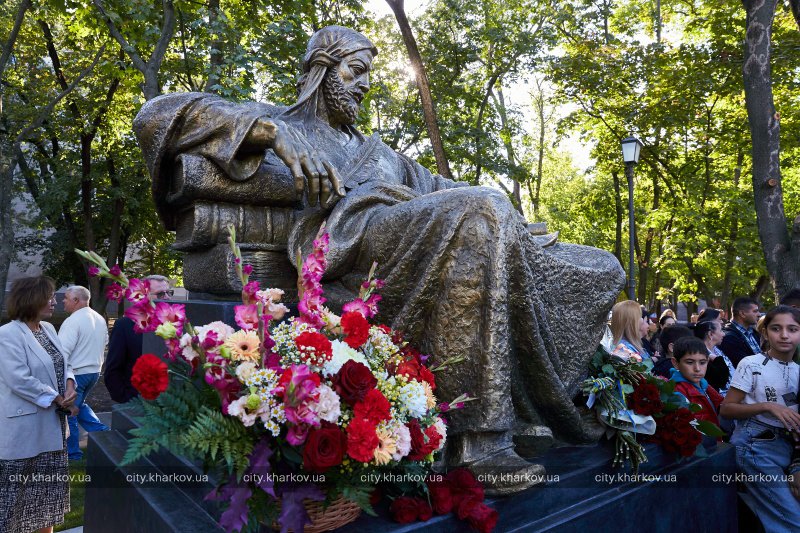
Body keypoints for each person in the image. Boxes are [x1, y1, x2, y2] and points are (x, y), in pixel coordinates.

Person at [133, 25, 625, 493]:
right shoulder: (278, 123)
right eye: (356, 71)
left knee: (598, 265)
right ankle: (479, 444)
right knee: (482, 209)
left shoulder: (380, 153)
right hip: (348, 247)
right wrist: (270, 134)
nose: (366, 85)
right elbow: (155, 114)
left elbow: (442, 189)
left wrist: (515, 222)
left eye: (368, 73)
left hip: (408, 245)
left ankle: (538, 408)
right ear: (321, 71)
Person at [0, 276, 77, 533]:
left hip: (53, 428)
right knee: (13, 503)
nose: (54, 301)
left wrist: (69, 385)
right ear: (32, 298)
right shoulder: (8, 334)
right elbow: (18, 378)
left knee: (47, 502)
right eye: (50, 296)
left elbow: (66, 363)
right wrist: (56, 397)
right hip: (25, 430)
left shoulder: (49, 329)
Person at [720, 305, 800, 531]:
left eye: (792, 329)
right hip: (754, 447)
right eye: (776, 328)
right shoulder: (751, 364)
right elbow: (727, 409)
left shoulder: (797, 370)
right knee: (793, 521)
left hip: (785, 448)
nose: (784, 335)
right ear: (765, 332)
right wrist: (767, 406)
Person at [58, 285, 110, 461]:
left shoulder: (73, 321)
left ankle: (73, 454)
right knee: (80, 406)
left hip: (77, 374)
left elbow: (62, 353)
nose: (62, 301)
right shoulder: (99, 318)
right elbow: (105, 343)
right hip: (94, 372)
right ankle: (104, 433)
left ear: (76, 300)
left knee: (69, 412)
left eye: (65, 298)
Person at [104, 275, 173, 403]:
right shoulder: (124, 326)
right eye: (160, 294)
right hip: (137, 402)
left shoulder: (174, 323)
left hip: (172, 403)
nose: (167, 297)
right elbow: (113, 370)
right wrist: (127, 399)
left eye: (169, 292)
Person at [670, 337, 723, 430]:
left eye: (702, 362)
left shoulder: (704, 384)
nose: (697, 368)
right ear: (675, 363)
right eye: (690, 362)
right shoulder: (676, 392)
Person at [693, 320, 735, 396]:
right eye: (721, 330)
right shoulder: (701, 356)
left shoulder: (717, 350)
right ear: (710, 334)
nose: (724, 334)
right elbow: (720, 381)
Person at [720, 297, 761, 368]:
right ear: (742, 313)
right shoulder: (728, 337)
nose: (759, 314)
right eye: (755, 311)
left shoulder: (753, 333)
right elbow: (745, 366)